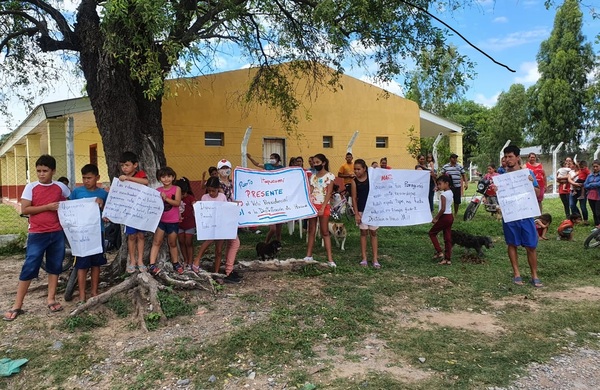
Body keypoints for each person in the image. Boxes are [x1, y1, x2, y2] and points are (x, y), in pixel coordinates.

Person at [3, 155, 70, 321]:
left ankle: (51, 299)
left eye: (45, 171)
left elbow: (70, 202)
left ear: (53, 171)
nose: (41, 174)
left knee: (55, 265)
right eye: (38, 171)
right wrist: (47, 207)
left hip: (57, 232)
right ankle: (17, 305)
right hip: (37, 233)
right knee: (30, 265)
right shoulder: (31, 187)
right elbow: (25, 209)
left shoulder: (60, 187)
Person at [502, 145, 542, 288]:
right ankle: (516, 273)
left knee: (531, 245)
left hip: (526, 214)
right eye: (506, 157)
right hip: (510, 214)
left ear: (518, 157)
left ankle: (534, 275)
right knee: (512, 243)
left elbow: (537, 193)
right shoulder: (502, 176)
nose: (507, 160)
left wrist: (531, 183)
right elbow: (499, 195)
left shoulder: (528, 173)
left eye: (510, 156)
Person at [69, 164, 109, 304]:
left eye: (89, 178)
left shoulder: (103, 194)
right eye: (84, 178)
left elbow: (108, 214)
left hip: (98, 233)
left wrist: (102, 204)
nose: (86, 181)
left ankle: (94, 291)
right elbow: (69, 209)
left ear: (97, 178)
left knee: (96, 264)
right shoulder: (76, 192)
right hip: (81, 235)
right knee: (82, 264)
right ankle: (81, 295)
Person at [148, 167, 184, 276]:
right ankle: (152, 264)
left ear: (173, 177)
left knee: (172, 243)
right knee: (156, 242)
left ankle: (176, 263)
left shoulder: (177, 189)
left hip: (173, 221)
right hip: (161, 221)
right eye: (163, 177)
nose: (166, 179)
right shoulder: (158, 191)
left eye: (169, 176)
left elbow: (177, 203)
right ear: (159, 178)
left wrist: (166, 198)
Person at [118, 151, 150, 273]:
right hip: (129, 212)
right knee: (131, 236)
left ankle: (140, 260)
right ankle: (132, 261)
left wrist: (128, 178)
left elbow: (146, 182)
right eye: (122, 166)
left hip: (141, 210)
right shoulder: (121, 179)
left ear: (135, 165)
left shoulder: (140, 174)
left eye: (127, 165)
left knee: (141, 235)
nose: (124, 168)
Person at [304, 153, 336, 267]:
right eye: (314, 163)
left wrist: (322, 207)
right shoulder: (313, 177)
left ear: (323, 163)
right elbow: (311, 189)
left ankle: (330, 259)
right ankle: (308, 255)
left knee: (325, 232)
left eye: (318, 162)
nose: (315, 164)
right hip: (313, 205)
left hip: (324, 206)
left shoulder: (330, 176)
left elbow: (329, 192)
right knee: (311, 230)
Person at [247, 152, 284, 243]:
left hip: (279, 198)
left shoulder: (282, 168)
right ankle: (266, 242)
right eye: (270, 157)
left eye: (273, 158)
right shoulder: (267, 166)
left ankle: (278, 245)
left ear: (277, 159)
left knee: (279, 230)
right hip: (269, 197)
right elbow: (257, 164)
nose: (271, 159)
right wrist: (250, 158)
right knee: (273, 229)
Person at [215, 159, 242, 283]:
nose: (224, 170)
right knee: (234, 242)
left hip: (231, 215)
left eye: (227, 168)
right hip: (222, 216)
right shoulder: (218, 184)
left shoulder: (231, 183)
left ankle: (227, 270)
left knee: (230, 243)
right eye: (222, 168)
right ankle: (228, 271)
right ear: (218, 170)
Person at [192, 177, 226, 275]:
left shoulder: (222, 197)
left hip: (220, 225)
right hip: (209, 225)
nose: (211, 193)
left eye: (213, 190)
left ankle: (216, 271)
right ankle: (197, 259)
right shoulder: (205, 197)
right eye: (209, 190)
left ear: (218, 188)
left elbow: (226, 209)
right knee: (209, 240)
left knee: (219, 250)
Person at [351, 159, 379, 268]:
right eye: (355, 169)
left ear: (364, 169)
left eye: (358, 169)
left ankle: (375, 258)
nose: (356, 171)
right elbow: (354, 198)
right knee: (363, 233)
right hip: (362, 210)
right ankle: (364, 258)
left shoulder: (372, 178)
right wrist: (356, 213)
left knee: (373, 233)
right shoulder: (354, 181)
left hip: (373, 210)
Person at [429, 175, 453, 265]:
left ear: (446, 184)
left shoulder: (443, 195)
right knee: (447, 238)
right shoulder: (450, 192)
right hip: (450, 216)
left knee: (432, 233)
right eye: (437, 184)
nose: (438, 186)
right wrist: (437, 189)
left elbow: (442, 209)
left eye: (440, 184)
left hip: (444, 217)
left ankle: (439, 252)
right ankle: (447, 259)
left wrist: (436, 218)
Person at [176, 177, 196, 269]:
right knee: (181, 241)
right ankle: (185, 260)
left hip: (189, 224)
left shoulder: (190, 198)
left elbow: (195, 206)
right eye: (180, 193)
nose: (182, 196)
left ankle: (190, 261)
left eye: (183, 193)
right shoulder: (175, 198)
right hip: (179, 224)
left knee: (188, 242)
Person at [569, 160, 589, 225]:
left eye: (577, 165)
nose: (575, 166)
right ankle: (577, 218)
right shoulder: (571, 172)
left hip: (581, 189)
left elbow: (589, 175)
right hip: (574, 188)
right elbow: (569, 179)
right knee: (572, 205)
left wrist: (585, 183)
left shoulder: (585, 170)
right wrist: (575, 183)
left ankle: (585, 220)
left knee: (583, 206)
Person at [584, 160, 600, 228]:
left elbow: (599, 184)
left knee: (598, 212)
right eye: (594, 166)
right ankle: (596, 224)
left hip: (598, 196)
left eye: (597, 166)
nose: (595, 168)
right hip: (591, 196)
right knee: (594, 212)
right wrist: (593, 185)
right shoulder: (590, 176)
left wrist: (590, 184)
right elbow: (585, 185)